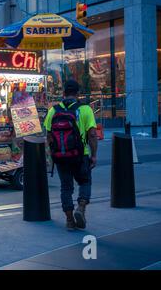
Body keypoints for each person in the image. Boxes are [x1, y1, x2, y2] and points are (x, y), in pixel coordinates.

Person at [44, 79, 98, 231]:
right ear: (78, 94)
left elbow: (48, 135)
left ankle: (69, 221)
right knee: (85, 182)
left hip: (61, 156)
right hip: (81, 155)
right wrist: (93, 155)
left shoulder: (53, 110)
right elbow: (92, 135)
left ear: (63, 93)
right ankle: (81, 207)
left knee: (66, 188)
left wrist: (53, 153)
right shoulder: (85, 109)